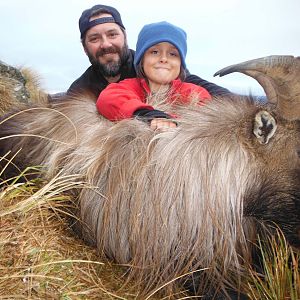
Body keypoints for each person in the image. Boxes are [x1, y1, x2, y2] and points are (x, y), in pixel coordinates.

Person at [66, 4, 231, 99]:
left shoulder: (152, 66)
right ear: (84, 47)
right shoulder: (79, 91)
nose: (105, 44)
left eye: (112, 34)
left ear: (124, 37)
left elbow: (199, 87)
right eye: (94, 38)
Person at [96, 21, 211, 130]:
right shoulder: (130, 86)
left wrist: (174, 122)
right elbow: (107, 99)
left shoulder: (194, 93)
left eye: (173, 54)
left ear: (181, 63)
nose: (164, 59)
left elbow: (205, 117)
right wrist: (146, 114)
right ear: (142, 60)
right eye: (154, 52)